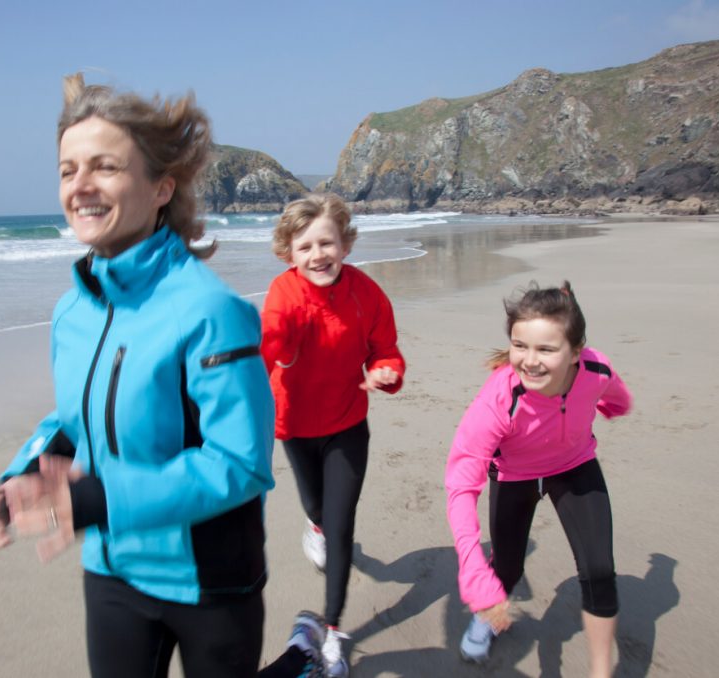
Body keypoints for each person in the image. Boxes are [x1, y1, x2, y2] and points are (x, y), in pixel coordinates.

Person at [0, 72, 322, 678]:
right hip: (113, 571)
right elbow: (72, 422)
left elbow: (240, 464)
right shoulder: (71, 312)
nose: (79, 185)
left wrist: (98, 498)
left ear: (162, 186)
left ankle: (303, 660)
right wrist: (23, 474)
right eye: (67, 170)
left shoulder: (212, 312)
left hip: (212, 581)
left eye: (104, 167)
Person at [444, 281, 632, 677]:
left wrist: (614, 407)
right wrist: (473, 571)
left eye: (546, 349)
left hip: (575, 465)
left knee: (599, 570)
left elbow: (618, 395)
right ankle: (487, 615)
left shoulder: (595, 369)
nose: (530, 361)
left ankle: (601, 671)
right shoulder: (499, 400)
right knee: (507, 568)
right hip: (515, 475)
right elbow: (461, 486)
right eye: (520, 346)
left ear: (576, 352)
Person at [261, 193, 406, 677]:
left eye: (326, 242)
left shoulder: (367, 294)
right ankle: (315, 524)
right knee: (318, 509)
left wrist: (385, 370)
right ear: (289, 253)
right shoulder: (284, 293)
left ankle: (333, 630)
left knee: (342, 525)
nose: (317, 254)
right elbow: (269, 343)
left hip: (347, 424)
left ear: (345, 243)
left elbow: (384, 349)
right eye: (304, 247)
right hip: (296, 425)